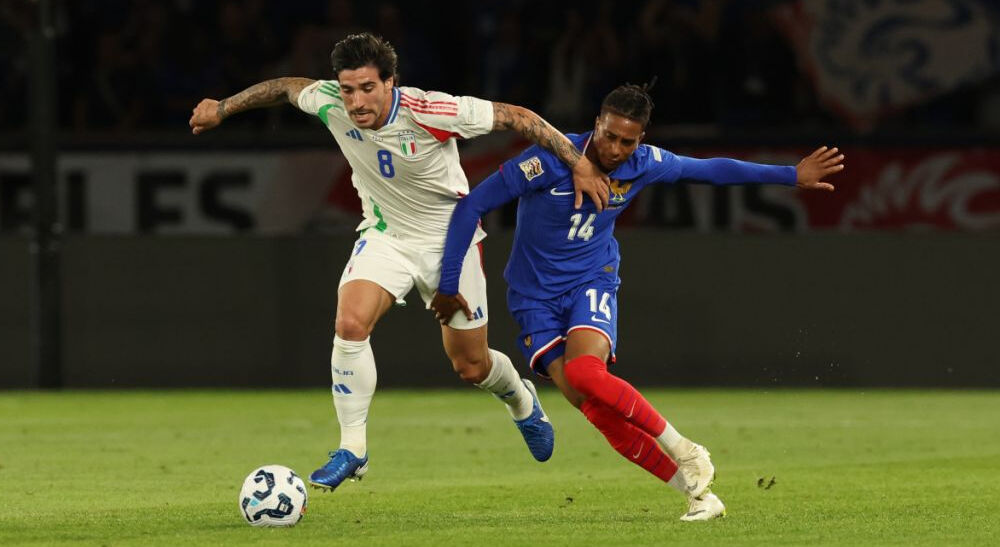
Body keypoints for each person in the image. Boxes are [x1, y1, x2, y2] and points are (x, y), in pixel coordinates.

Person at [189, 33, 611, 491]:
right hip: (385, 236)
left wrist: (579, 163)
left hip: (451, 242)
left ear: (390, 82)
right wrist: (223, 108)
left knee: (471, 366)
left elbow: (518, 116)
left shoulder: (431, 110)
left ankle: (520, 401)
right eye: (348, 89)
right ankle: (352, 449)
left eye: (367, 88)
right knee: (350, 323)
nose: (356, 102)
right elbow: (288, 88)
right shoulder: (329, 102)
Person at [431, 82, 844, 521]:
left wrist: (790, 176)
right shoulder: (548, 160)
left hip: (591, 281)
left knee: (586, 373)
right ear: (597, 124)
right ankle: (698, 495)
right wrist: (449, 282)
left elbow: (711, 170)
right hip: (534, 298)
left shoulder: (644, 164)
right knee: (595, 410)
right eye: (609, 136)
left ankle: (687, 450)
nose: (615, 149)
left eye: (627, 141)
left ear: (640, 140)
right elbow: (473, 205)